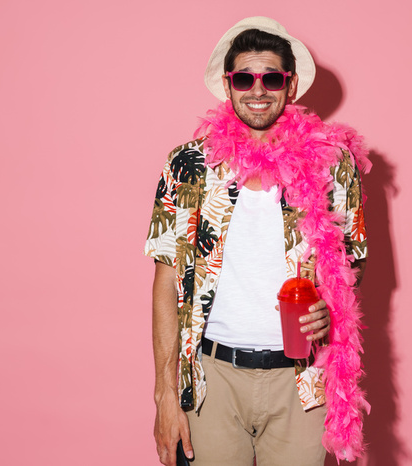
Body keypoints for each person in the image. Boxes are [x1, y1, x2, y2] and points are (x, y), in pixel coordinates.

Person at [144, 16, 369, 466]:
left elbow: (352, 261)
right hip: (212, 377)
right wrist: (165, 396)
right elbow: (166, 282)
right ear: (228, 86)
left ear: (290, 84)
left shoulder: (333, 164)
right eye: (245, 78)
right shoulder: (188, 166)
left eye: (271, 78)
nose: (258, 90)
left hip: (301, 383)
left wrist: (329, 302)